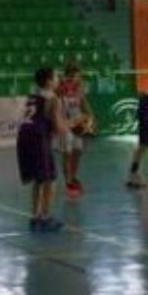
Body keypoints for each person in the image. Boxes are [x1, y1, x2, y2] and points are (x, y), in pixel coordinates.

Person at [18, 67, 67, 232]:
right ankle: (45, 217)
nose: (58, 79)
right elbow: (59, 128)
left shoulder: (33, 95)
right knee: (50, 178)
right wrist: (78, 121)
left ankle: (35, 217)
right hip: (38, 138)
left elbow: (46, 122)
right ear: (48, 81)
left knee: (39, 179)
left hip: (24, 137)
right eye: (56, 77)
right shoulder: (53, 99)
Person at [55, 61, 94, 198]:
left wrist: (90, 116)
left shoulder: (79, 88)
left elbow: (84, 103)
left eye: (77, 76)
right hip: (66, 124)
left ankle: (73, 177)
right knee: (67, 153)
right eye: (73, 76)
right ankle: (68, 182)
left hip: (77, 123)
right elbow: (56, 105)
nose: (75, 78)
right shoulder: (60, 87)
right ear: (67, 75)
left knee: (78, 151)